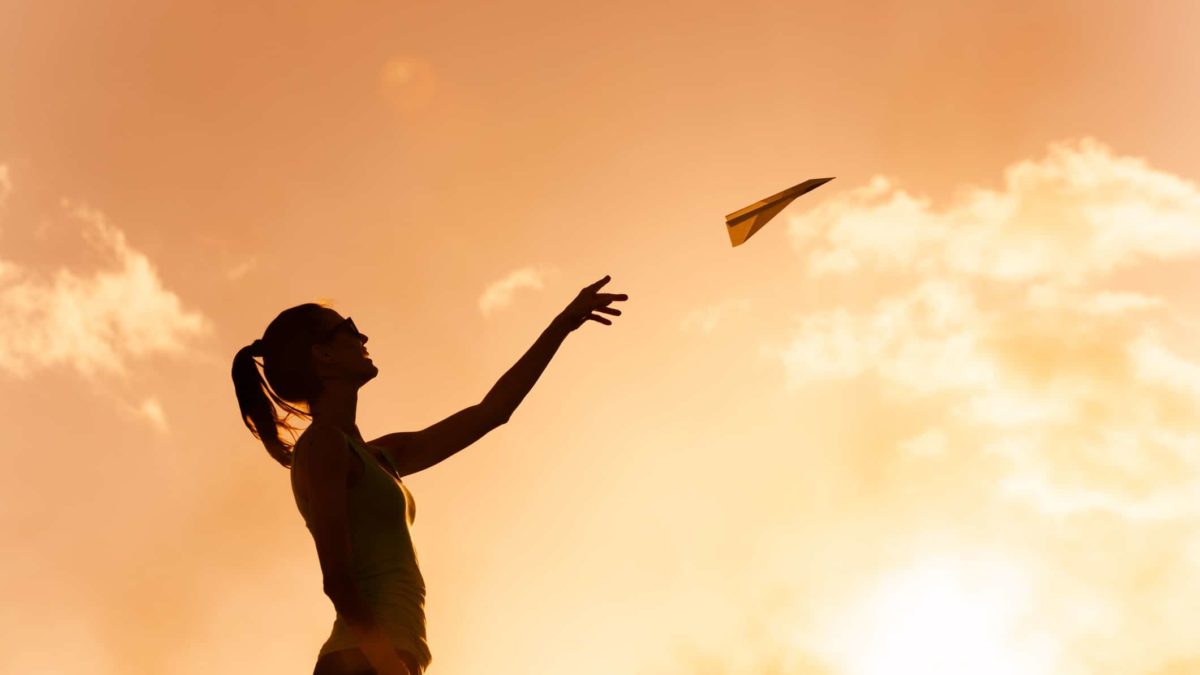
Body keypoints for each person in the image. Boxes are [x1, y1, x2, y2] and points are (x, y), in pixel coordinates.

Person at [230, 275, 628, 675]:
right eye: (348, 329)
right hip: (361, 665)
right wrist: (387, 665)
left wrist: (562, 323)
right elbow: (336, 577)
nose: (362, 336)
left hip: (387, 660)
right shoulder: (322, 447)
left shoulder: (378, 456)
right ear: (323, 356)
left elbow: (493, 411)